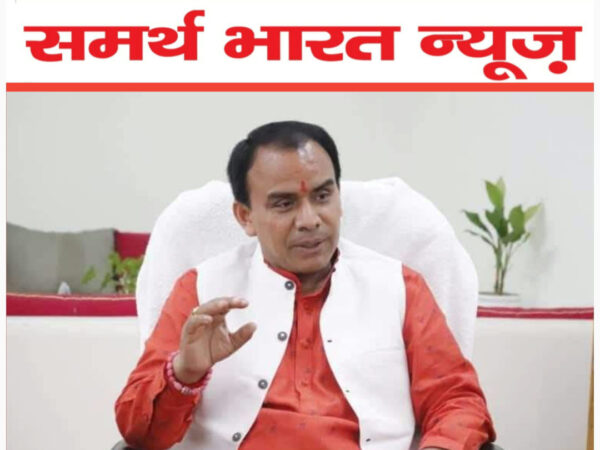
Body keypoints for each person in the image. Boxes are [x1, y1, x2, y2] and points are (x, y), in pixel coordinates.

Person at [115, 121, 496, 450]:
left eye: (323, 196)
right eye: (284, 204)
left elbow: (455, 401)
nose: (310, 220)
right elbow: (139, 432)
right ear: (245, 217)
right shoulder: (201, 290)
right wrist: (185, 372)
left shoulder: (400, 287)